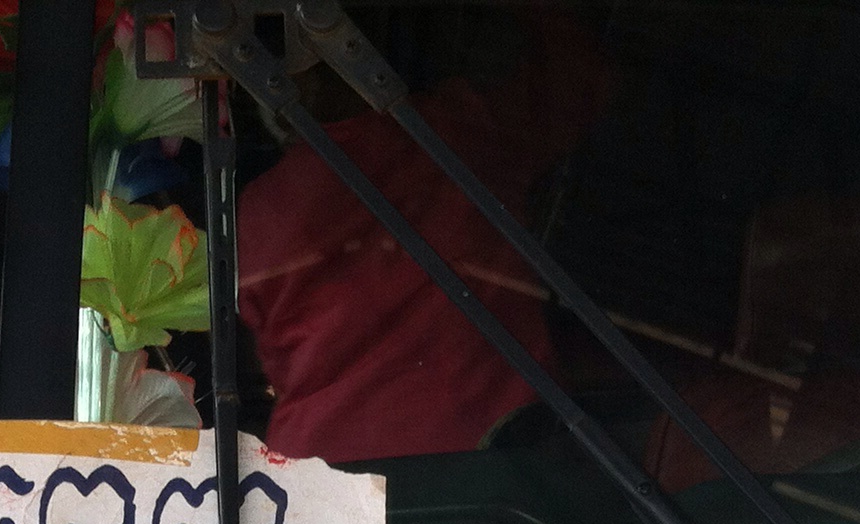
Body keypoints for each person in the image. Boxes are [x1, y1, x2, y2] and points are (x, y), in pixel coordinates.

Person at [237, 16, 612, 462]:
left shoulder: (257, 210)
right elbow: (578, 81)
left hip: (320, 480)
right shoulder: (456, 135)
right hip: (496, 468)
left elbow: (269, 359)